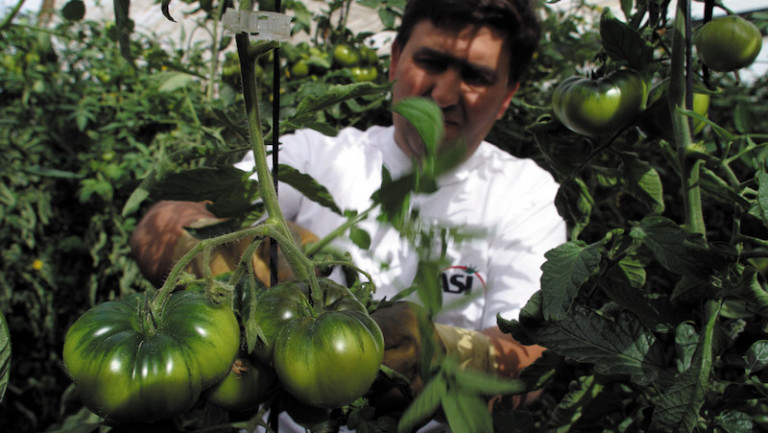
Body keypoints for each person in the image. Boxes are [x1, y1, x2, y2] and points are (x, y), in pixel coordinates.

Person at [130, 0, 567, 430]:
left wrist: (440, 354)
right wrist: (241, 248)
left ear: (507, 95)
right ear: (395, 59)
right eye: (431, 62)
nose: (444, 95)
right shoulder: (317, 154)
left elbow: (531, 355)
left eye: (475, 76)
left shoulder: (527, 195)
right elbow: (160, 223)